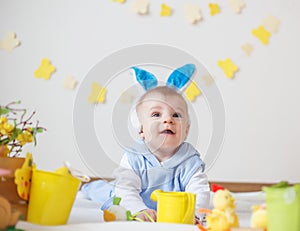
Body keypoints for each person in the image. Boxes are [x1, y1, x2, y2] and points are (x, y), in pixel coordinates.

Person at [113, 85, 210, 222]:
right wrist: (139, 210)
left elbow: (199, 192)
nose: (168, 120)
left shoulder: (190, 161)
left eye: (176, 115)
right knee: (107, 193)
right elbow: (125, 189)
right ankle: (90, 186)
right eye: (156, 114)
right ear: (141, 129)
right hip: (138, 202)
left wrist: (192, 214)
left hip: (172, 211)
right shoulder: (134, 157)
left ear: (186, 130)